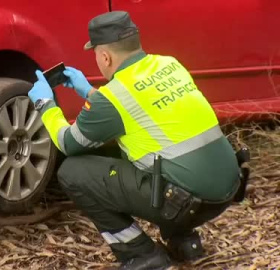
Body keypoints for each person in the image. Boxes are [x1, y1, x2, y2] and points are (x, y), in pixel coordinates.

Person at [28, 10, 243, 270]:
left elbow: (67, 143)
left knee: (73, 171)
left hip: (185, 203)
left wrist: (45, 103)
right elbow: (142, 109)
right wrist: (87, 90)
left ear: (105, 56)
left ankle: (141, 255)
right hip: (227, 190)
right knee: (151, 150)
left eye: (96, 54)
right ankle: (184, 241)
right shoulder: (169, 64)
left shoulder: (114, 97)